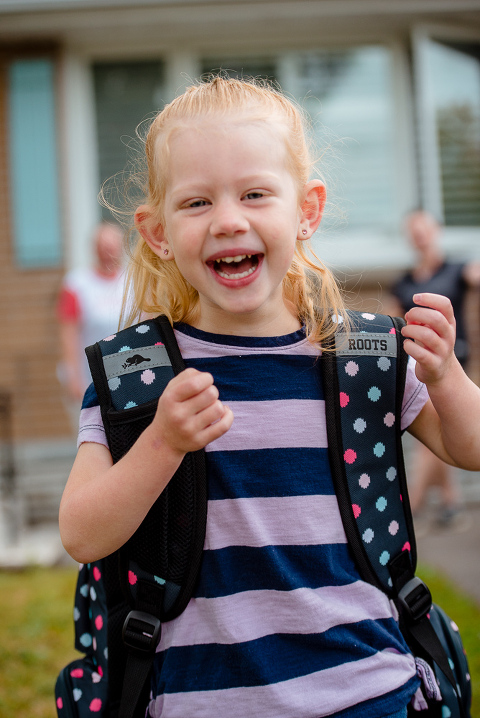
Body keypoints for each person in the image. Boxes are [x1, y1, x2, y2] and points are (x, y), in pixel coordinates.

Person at [59, 77, 480, 718]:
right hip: (206, 701)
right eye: (196, 202)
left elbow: (468, 449)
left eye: (255, 194)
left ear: (306, 211)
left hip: (369, 691)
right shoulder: (135, 376)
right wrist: (161, 444)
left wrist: (447, 375)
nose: (229, 220)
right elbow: (83, 533)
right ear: (157, 232)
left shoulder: (362, 358)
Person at [390, 209, 480, 528]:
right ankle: (451, 502)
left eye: (424, 228)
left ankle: (409, 510)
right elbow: (394, 327)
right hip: (418, 369)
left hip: (457, 366)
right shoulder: (403, 282)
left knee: (441, 434)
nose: (420, 235)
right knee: (440, 434)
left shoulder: (457, 269)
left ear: (436, 230)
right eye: (413, 230)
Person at [56, 222, 125, 405]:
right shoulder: (76, 284)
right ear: (94, 249)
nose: (108, 253)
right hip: (89, 377)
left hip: (127, 375)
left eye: (112, 247)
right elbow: (68, 334)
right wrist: (73, 377)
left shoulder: (134, 281)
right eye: (103, 247)